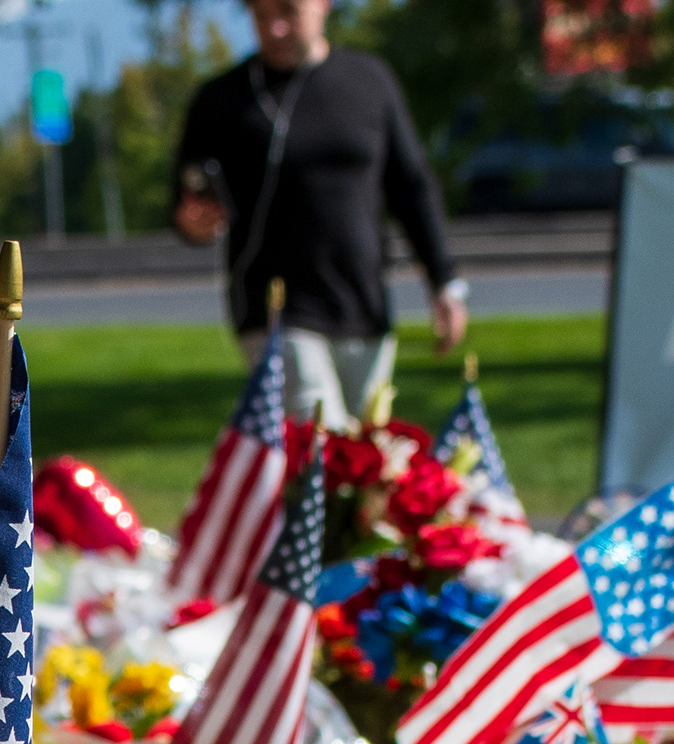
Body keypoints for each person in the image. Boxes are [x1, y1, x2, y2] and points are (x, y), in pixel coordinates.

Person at [169, 0, 465, 429]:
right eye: (260, 17)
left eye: (288, 12)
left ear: (323, 5)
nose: (275, 29)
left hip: (363, 306)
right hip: (276, 311)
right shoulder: (222, 99)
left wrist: (444, 282)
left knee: (366, 463)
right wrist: (192, 222)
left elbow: (411, 187)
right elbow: (182, 204)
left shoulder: (370, 82)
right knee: (320, 444)